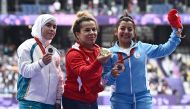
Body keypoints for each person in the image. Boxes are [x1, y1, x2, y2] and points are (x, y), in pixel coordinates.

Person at [102, 12, 182, 109]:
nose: (126, 31)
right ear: (116, 31)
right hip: (119, 100)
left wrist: (176, 32)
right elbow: (105, 81)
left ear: (134, 32)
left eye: (130, 29)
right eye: (122, 28)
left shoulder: (142, 48)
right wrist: (112, 74)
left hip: (143, 98)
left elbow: (165, 49)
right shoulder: (109, 53)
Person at [62, 10, 111, 109]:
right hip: (75, 100)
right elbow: (84, 73)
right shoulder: (73, 53)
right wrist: (98, 61)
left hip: (92, 99)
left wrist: (112, 73)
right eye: (87, 30)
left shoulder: (98, 50)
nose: (92, 33)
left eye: (94, 29)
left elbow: (97, 76)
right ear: (77, 34)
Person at [17, 14, 64, 109]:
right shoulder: (27, 46)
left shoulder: (55, 52)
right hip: (30, 101)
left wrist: (58, 100)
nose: (52, 29)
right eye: (48, 25)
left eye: (54, 27)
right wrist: (41, 63)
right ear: (39, 26)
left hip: (51, 104)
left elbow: (59, 78)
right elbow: (25, 72)